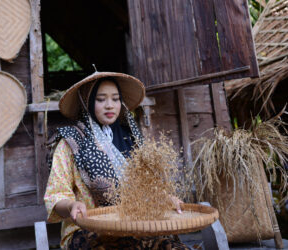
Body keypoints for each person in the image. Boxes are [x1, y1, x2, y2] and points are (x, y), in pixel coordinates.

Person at [44, 71, 189, 249]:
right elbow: (55, 195)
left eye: (115, 99)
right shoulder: (71, 142)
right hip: (87, 229)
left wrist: (165, 198)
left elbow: (148, 187)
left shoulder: (132, 139)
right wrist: (72, 205)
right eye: (100, 99)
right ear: (87, 102)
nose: (109, 106)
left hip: (135, 224)